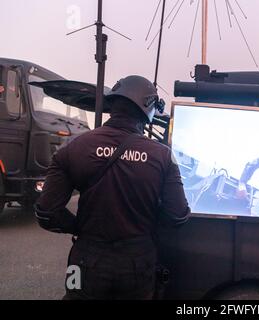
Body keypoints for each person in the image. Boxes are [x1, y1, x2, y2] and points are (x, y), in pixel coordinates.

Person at [35, 75, 190, 300]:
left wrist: (79, 228)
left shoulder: (73, 148)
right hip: (138, 264)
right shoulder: (163, 156)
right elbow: (178, 216)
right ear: (147, 108)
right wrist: (147, 226)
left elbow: (46, 213)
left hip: (83, 260)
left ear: (113, 104)